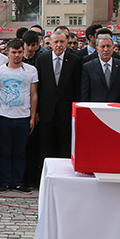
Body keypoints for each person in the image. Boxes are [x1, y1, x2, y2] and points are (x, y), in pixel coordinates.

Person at [0, 38, 37, 192]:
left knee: (20, 151)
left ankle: (18, 181)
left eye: (20, 52)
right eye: (14, 52)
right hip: (4, 116)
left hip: (23, 117)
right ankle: (5, 181)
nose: (17, 55)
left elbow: (33, 94)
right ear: (8, 53)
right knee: (5, 151)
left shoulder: (31, 70)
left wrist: (32, 116)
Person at [35, 31, 80, 160]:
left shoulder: (75, 60)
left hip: (66, 112)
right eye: (56, 42)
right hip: (46, 112)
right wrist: (37, 111)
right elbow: (38, 87)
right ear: (50, 43)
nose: (59, 45)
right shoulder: (42, 59)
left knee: (65, 147)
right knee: (46, 147)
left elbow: (77, 87)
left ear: (66, 42)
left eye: (62, 41)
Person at [80, 35, 120, 103]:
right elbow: (85, 93)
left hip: (118, 109)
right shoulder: (88, 67)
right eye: (103, 46)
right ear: (97, 49)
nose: (106, 49)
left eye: (108, 46)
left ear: (113, 48)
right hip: (96, 109)